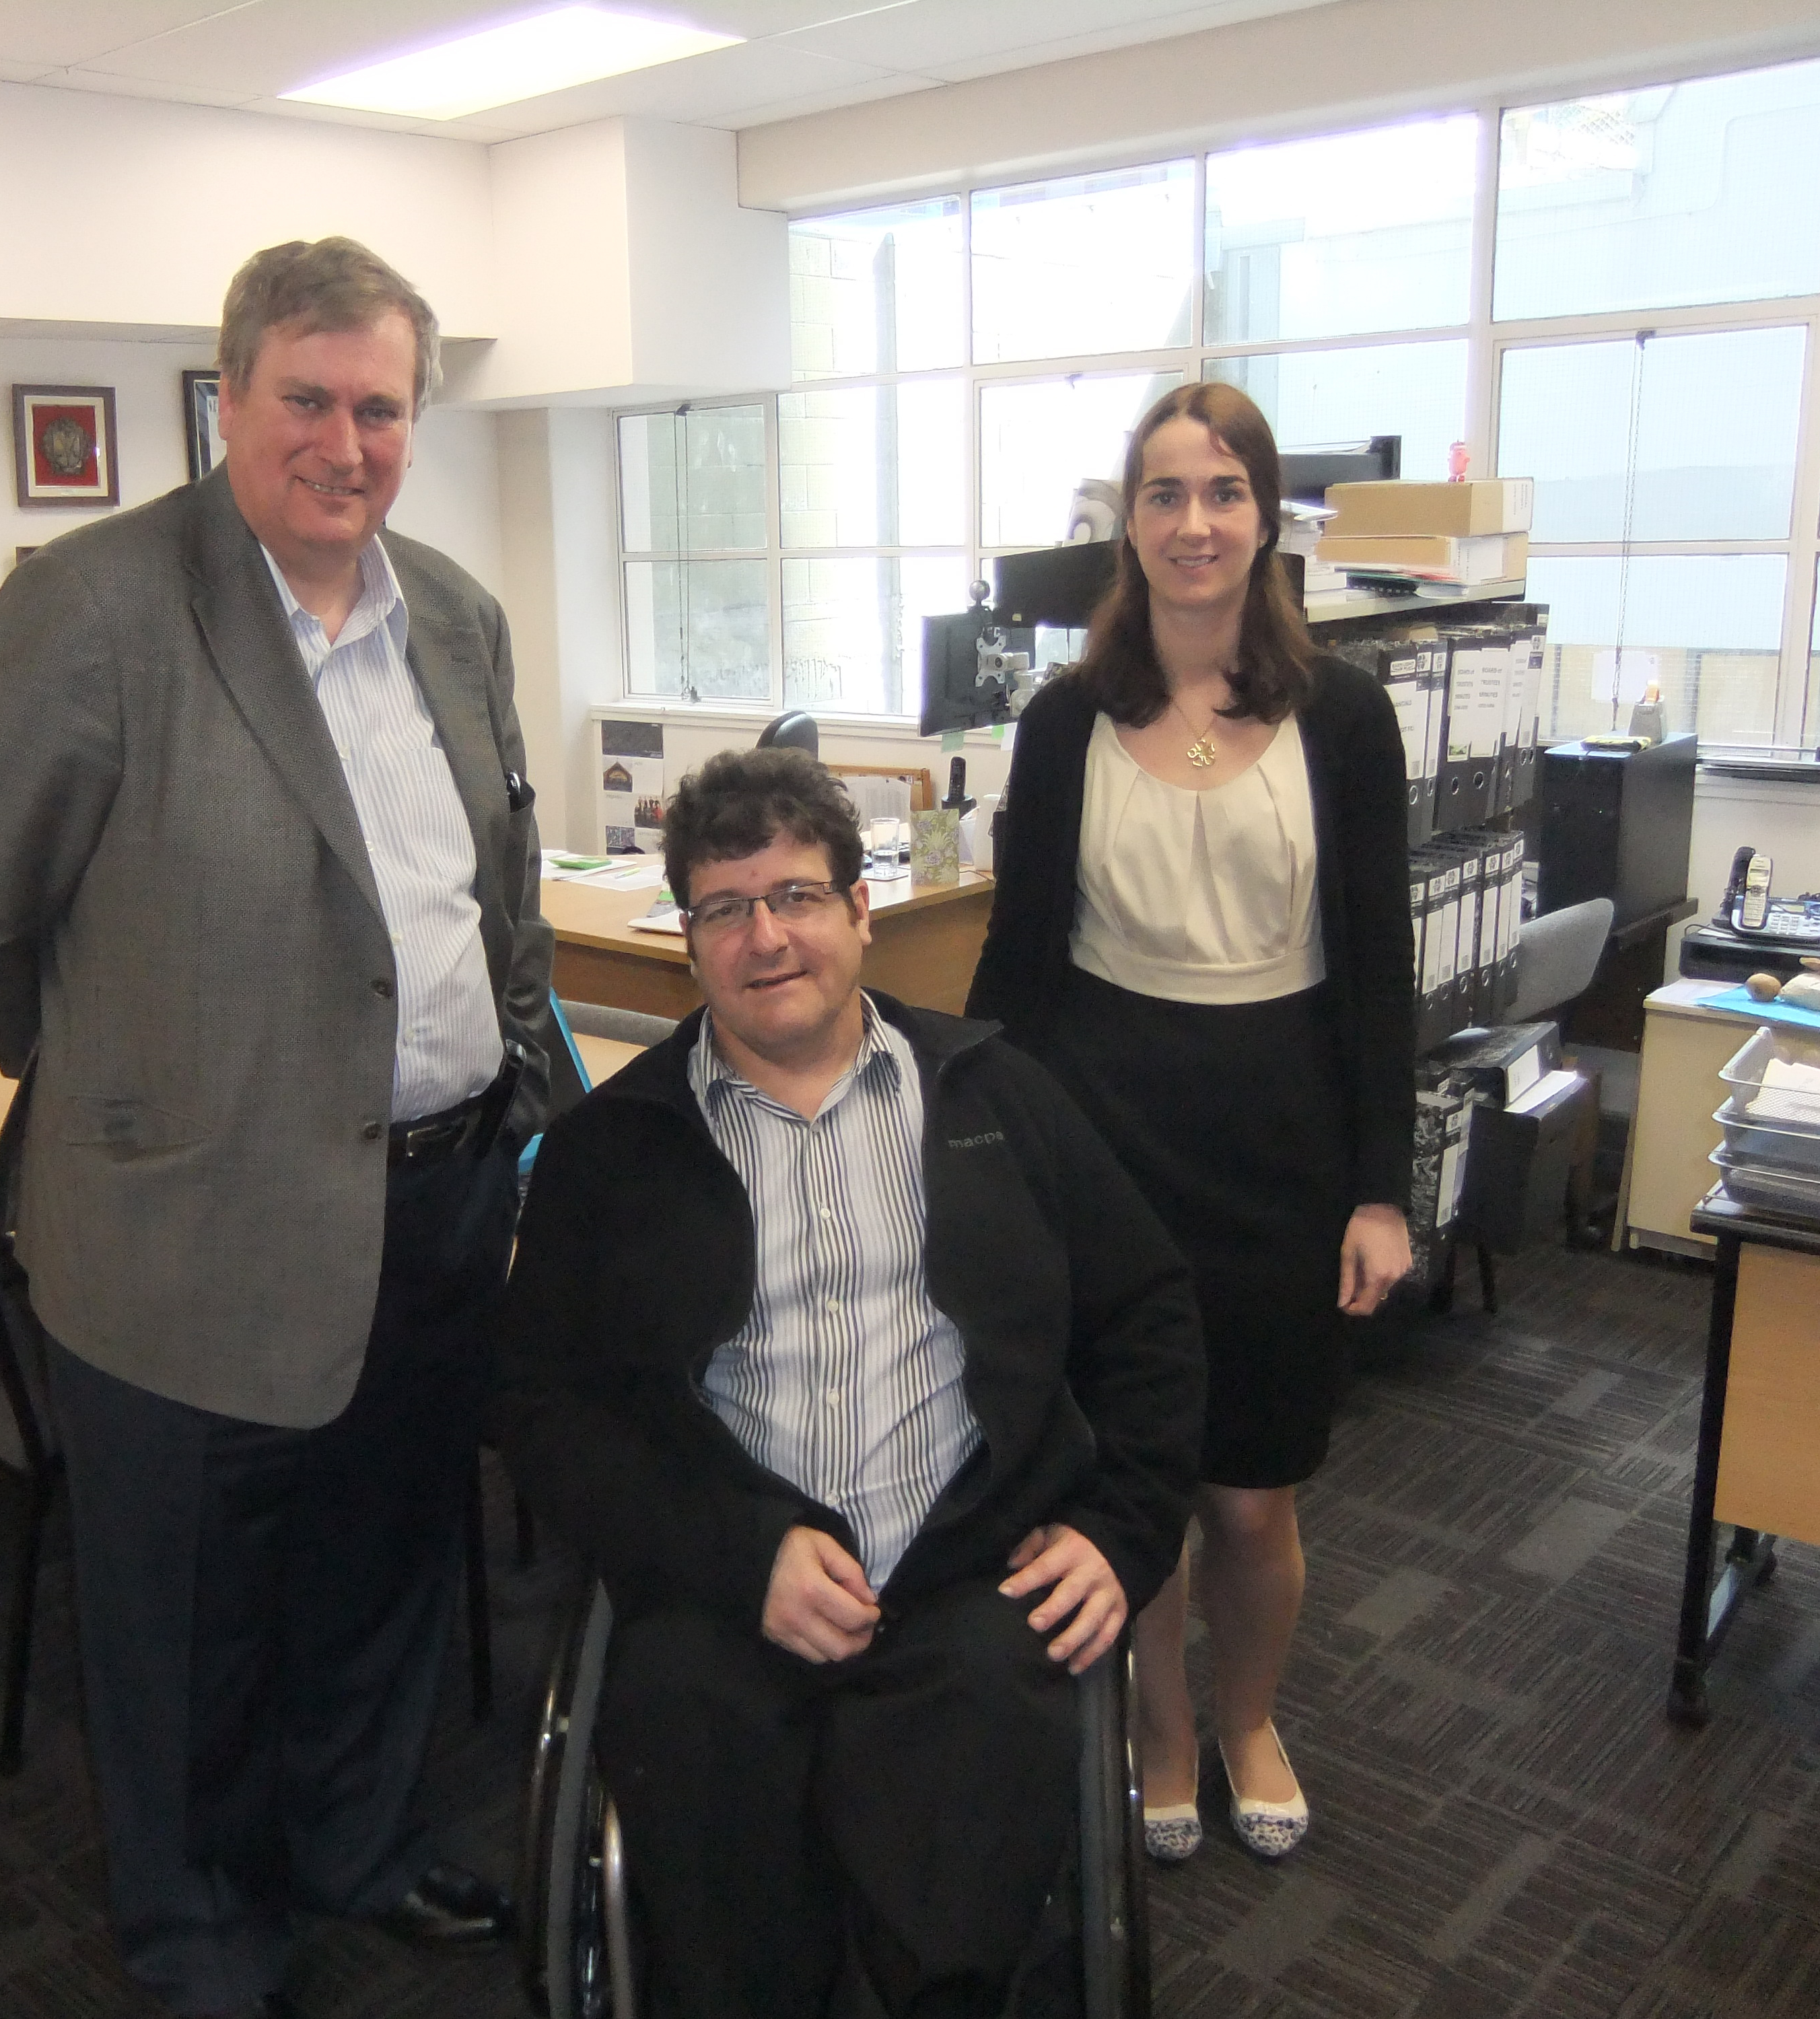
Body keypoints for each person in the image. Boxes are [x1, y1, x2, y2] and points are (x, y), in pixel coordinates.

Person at [0, 237, 556, 2019]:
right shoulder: (100, 609)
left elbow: (493, 897)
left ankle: (352, 1843)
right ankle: (196, 1933)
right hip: (189, 1223)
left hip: (436, 1197)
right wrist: (125, 1084)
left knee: (391, 1562)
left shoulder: (459, 618)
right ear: (232, 399)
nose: (347, 442)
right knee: (191, 1618)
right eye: (309, 401)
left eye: (382, 407)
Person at [498, 748, 1205, 2019]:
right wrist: (737, 1552)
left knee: (960, 1939)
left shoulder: (996, 1099)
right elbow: (548, 1407)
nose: (767, 938)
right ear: (690, 936)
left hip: (968, 1577)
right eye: (726, 908)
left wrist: (1121, 1532)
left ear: (860, 913)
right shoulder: (611, 1153)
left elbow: (1149, 1315)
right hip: (723, 1583)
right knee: (726, 1941)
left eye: (799, 897)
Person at [965, 380, 1414, 1865]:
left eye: (1221, 492)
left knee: (1253, 1494)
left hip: (1278, 1151)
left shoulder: (1342, 717)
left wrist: (1378, 1188)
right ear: (1127, 525)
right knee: (1139, 1478)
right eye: (1163, 494)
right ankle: (1160, 1723)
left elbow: (1378, 971)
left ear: (1264, 518)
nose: (1193, 523)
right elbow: (1018, 963)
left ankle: (1248, 1718)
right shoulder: (1063, 723)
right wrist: (971, 1151)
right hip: (1106, 1143)